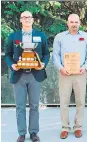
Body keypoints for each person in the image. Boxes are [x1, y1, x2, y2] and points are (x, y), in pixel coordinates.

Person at [5, 11, 50, 142]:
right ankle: (22, 133)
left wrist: (43, 64)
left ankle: (34, 133)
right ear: (20, 20)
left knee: (35, 105)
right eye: (24, 17)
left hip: (35, 74)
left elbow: (46, 54)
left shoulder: (40, 35)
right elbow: (7, 54)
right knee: (20, 106)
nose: (27, 19)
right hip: (19, 74)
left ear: (32, 20)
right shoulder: (14, 36)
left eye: (29, 17)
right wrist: (12, 65)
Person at [53, 14, 87, 139]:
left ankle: (78, 127)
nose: (74, 24)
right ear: (67, 23)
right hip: (64, 74)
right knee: (64, 101)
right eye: (71, 22)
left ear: (79, 23)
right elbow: (55, 55)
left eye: (76, 22)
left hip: (80, 74)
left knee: (80, 101)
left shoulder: (86, 37)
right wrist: (61, 68)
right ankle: (65, 127)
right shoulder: (59, 37)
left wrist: (85, 67)